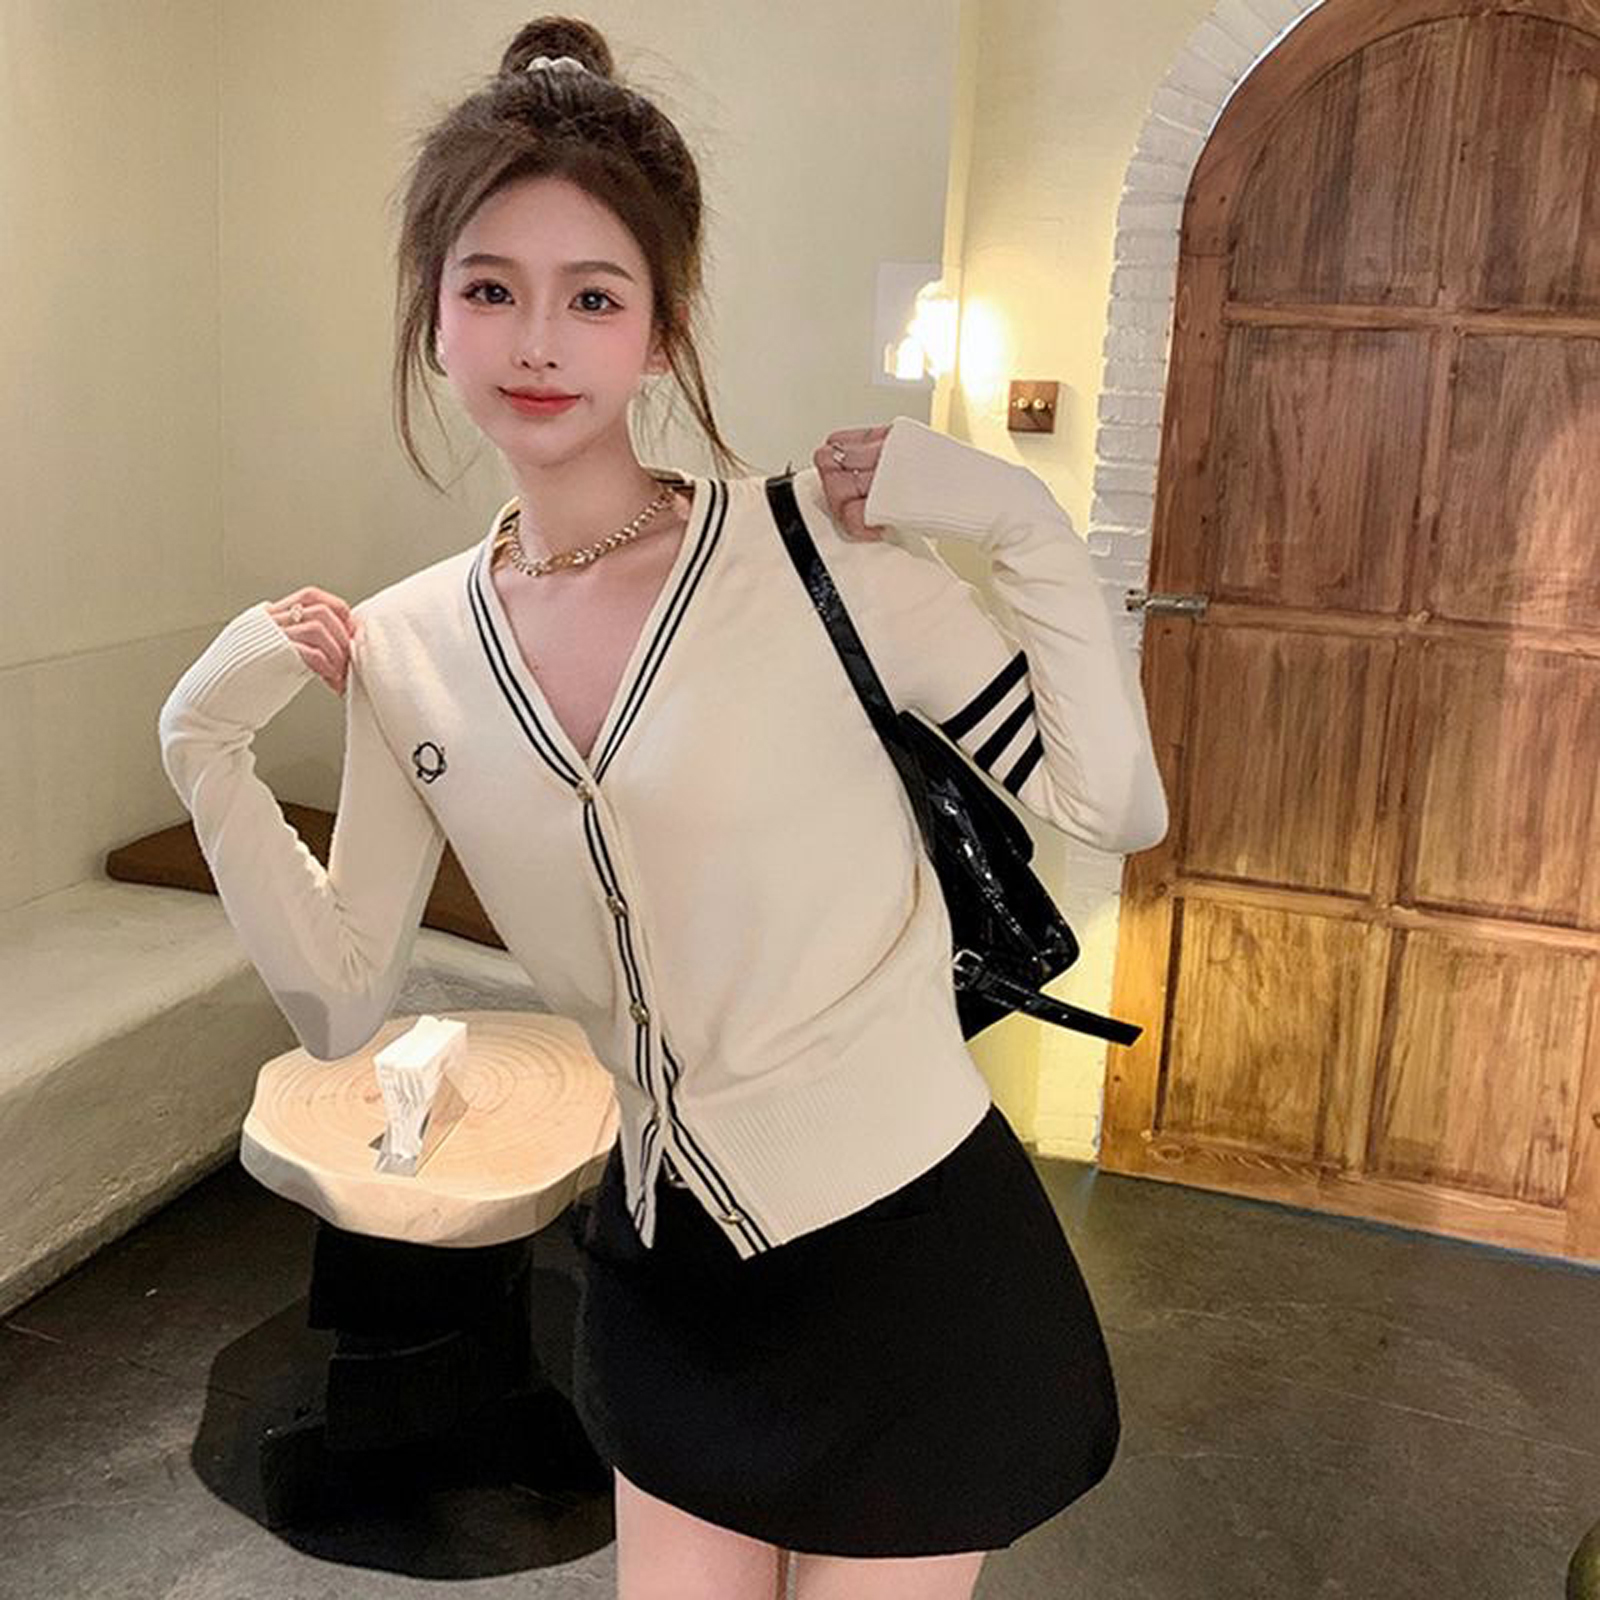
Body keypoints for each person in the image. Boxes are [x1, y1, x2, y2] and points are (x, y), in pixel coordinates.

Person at [156, 15, 1169, 1599]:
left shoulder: (818, 558)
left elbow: (1116, 805)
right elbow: (342, 1003)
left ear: (660, 329)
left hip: (912, 1260)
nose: (537, 341)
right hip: (666, 1275)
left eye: (592, 296)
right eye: (489, 289)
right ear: (433, 318)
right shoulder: (408, 651)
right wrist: (201, 743)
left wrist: (1024, 525)